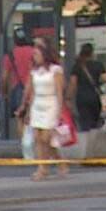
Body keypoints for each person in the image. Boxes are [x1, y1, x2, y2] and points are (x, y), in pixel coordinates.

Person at [18, 37, 68, 181]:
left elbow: (59, 91)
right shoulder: (35, 72)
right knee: (37, 138)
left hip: (50, 103)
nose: (35, 57)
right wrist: (27, 109)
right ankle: (42, 168)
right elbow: (31, 91)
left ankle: (58, 160)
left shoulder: (55, 70)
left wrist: (59, 111)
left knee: (47, 137)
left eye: (37, 54)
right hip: (37, 104)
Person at [2, 26, 35, 137]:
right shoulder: (34, 52)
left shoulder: (10, 55)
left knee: (20, 118)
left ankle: (24, 143)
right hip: (34, 89)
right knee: (35, 118)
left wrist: (5, 92)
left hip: (18, 90)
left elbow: (5, 77)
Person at [68, 43, 106, 132]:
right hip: (94, 97)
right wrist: (98, 82)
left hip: (81, 98)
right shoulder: (98, 65)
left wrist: (68, 98)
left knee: (85, 122)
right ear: (92, 53)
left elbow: (73, 83)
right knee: (95, 122)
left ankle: (87, 141)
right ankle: (94, 141)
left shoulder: (77, 66)